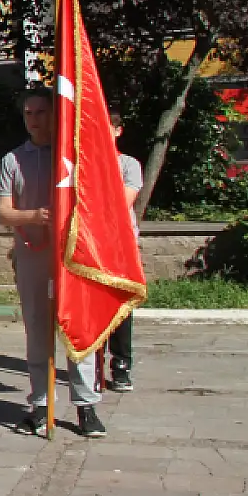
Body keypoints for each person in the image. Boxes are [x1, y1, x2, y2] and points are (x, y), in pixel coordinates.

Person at [0, 88, 106, 438]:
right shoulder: (13, 160)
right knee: (37, 329)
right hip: (33, 255)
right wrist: (35, 216)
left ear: (55, 114)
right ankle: (41, 404)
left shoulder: (73, 156)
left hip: (72, 256)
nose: (34, 119)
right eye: (28, 113)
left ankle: (86, 405)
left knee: (77, 326)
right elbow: (3, 211)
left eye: (41, 112)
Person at [109, 110, 143, 392]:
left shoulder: (129, 164)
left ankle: (121, 365)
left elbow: (121, 202)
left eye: (108, 127)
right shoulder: (81, 165)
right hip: (88, 245)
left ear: (118, 130)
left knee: (121, 305)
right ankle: (91, 365)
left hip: (120, 245)